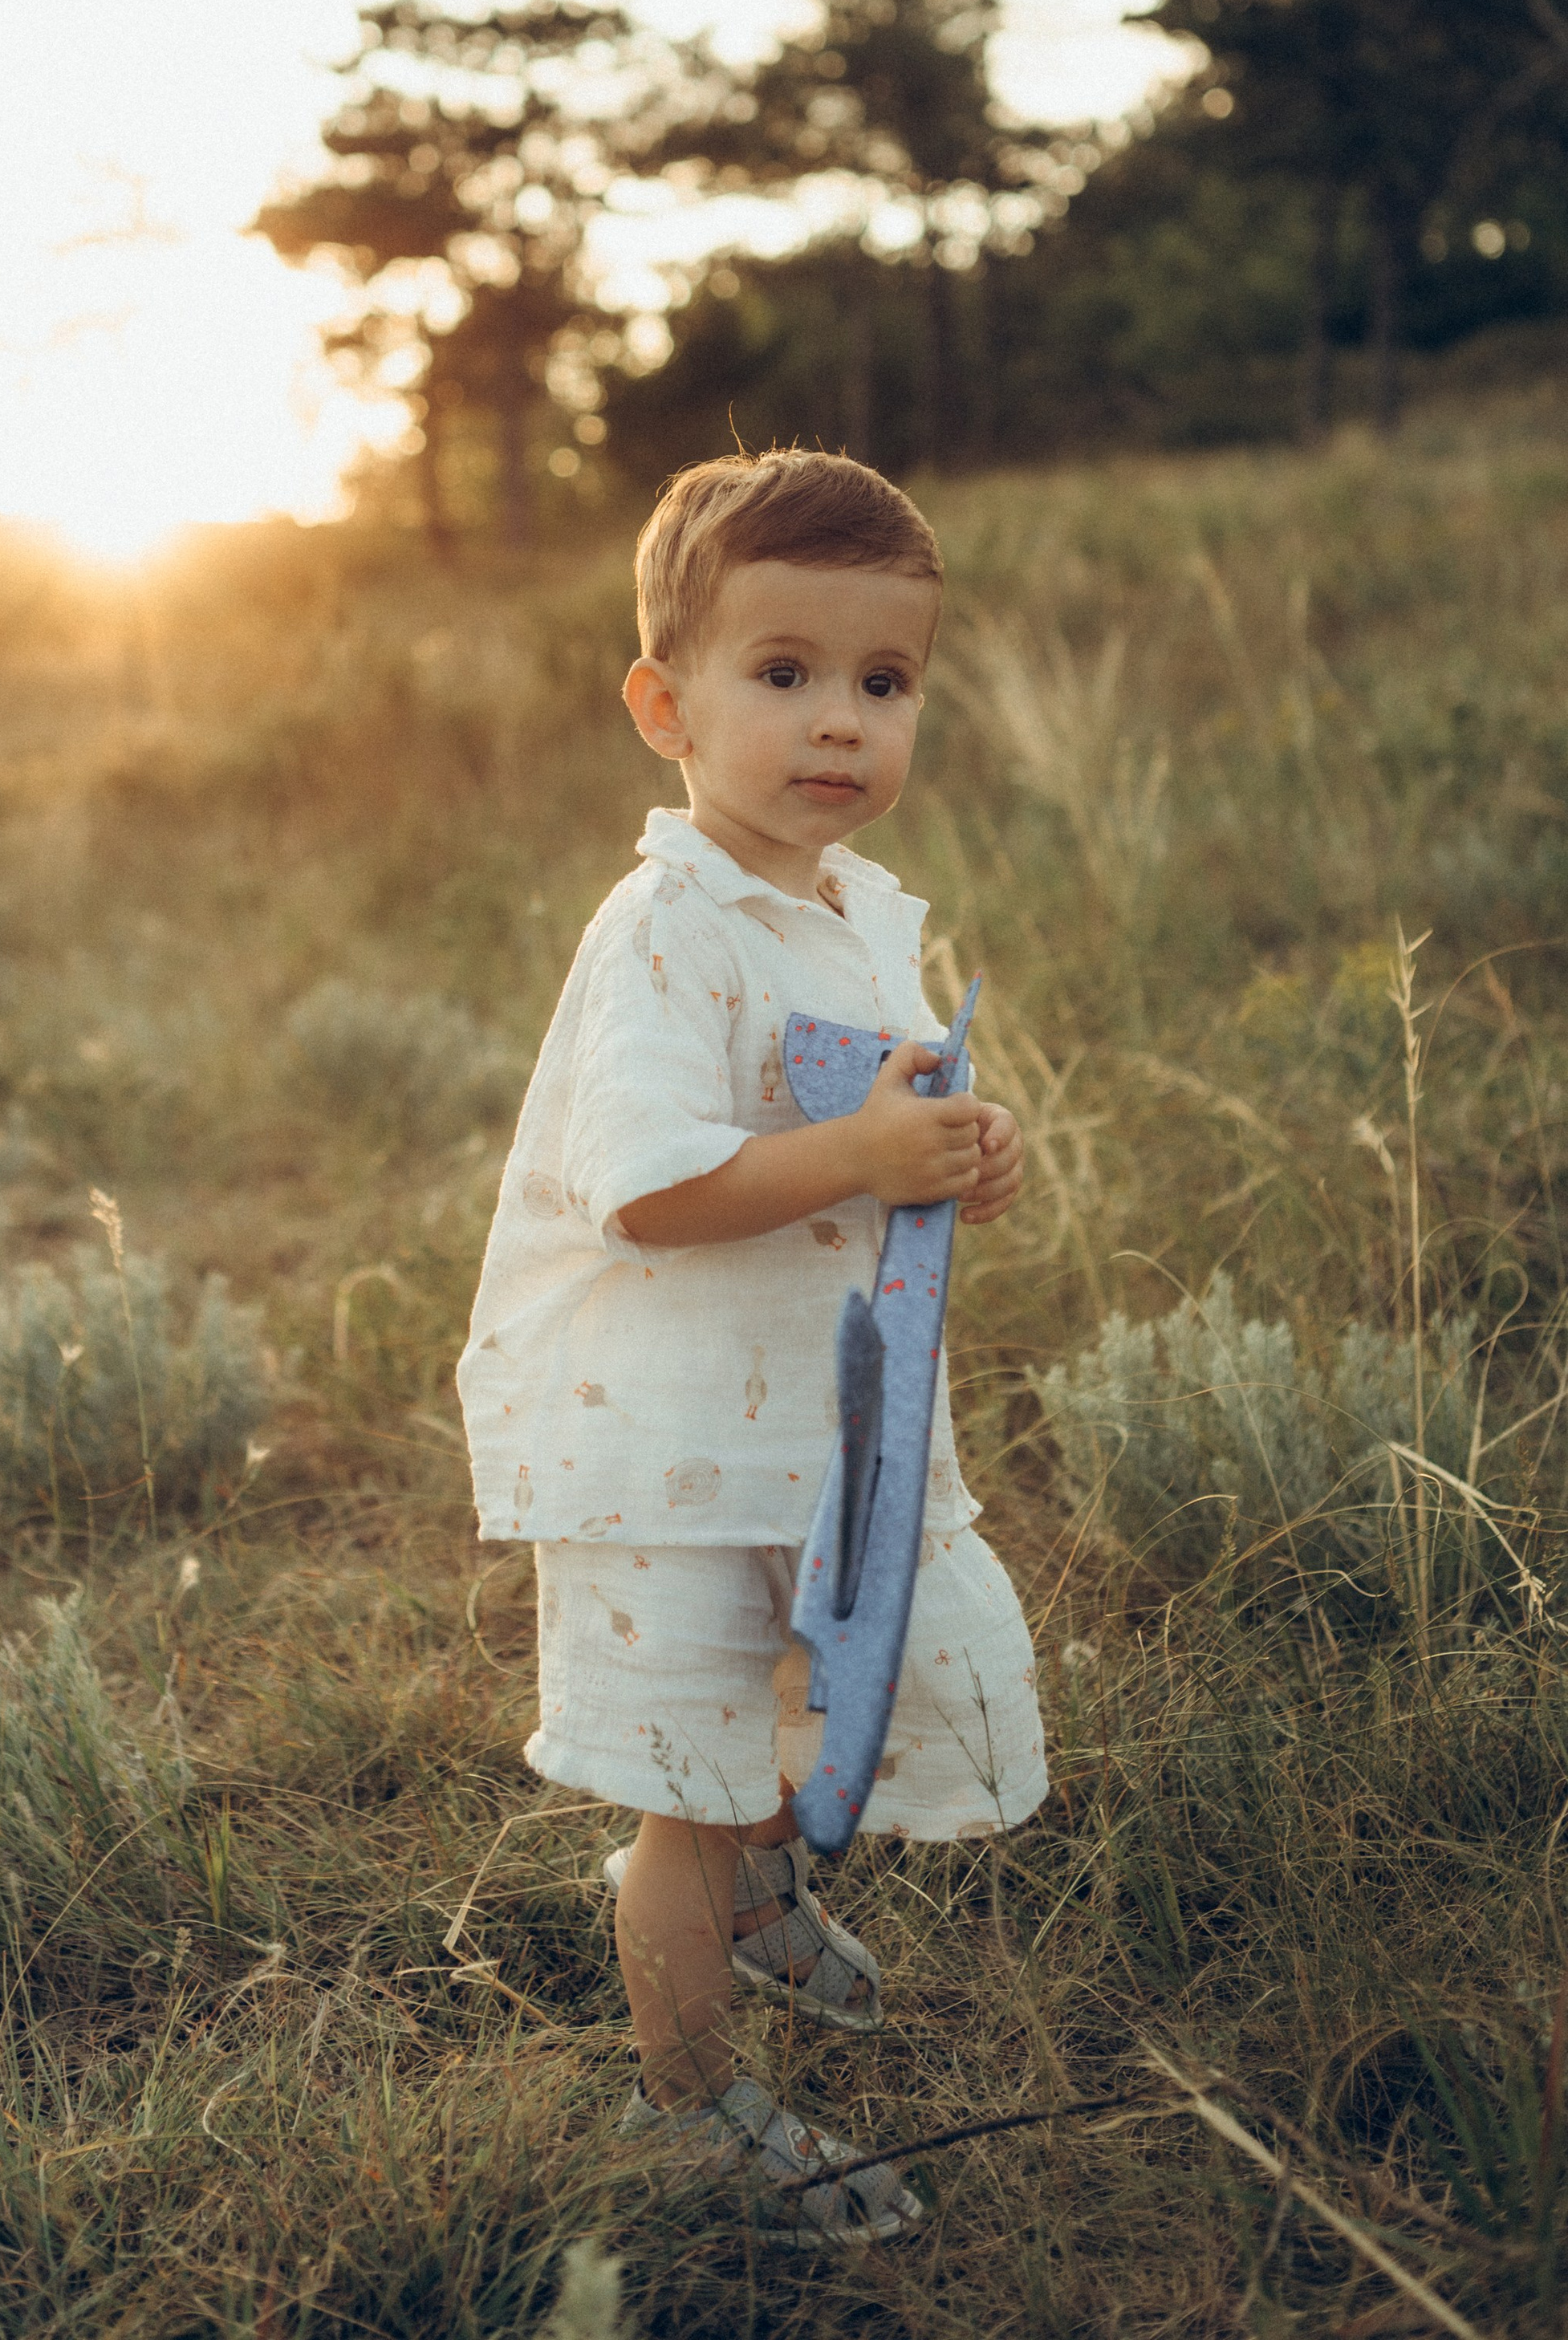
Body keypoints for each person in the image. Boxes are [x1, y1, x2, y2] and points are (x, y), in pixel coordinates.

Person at [456, 449, 1046, 2245]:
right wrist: (859, 1158)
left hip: (813, 1422)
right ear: (665, 706)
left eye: (881, 684)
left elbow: (853, 1133)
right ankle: (690, 2099)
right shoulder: (664, 927)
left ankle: (769, 1899)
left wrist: (943, 1161)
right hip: (668, 1441)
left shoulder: (856, 909)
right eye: (780, 674)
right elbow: (645, 1191)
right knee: (688, 1785)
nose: (836, 724)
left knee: (830, 1680)